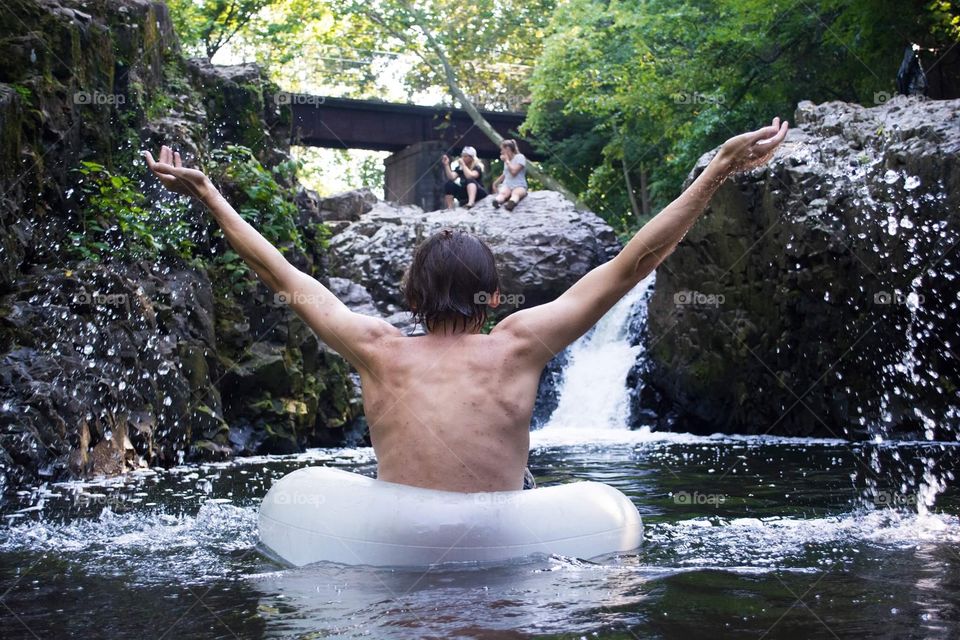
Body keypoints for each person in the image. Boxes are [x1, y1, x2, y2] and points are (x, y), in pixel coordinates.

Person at [143, 116, 788, 494]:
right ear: (491, 298)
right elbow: (635, 265)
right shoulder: (519, 343)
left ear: (413, 296)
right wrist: (718, 169)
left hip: (396, 553)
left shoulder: (376, 349)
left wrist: (207, 193)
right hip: (502, 559)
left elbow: (276, 270)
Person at [492, 139, 527, 211]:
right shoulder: (506, 161)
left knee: (516, 194)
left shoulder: (520, 157)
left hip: (519, 184)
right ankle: (497, 201)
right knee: (503, 194)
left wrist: (507, 161)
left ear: (508, 149)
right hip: (507, 184)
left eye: (502, 150)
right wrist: (496, 183)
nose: (501, 152)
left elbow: (514, 172)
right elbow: (505, 173)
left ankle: (511, 203)